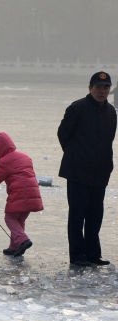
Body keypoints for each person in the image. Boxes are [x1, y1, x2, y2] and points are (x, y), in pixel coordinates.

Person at [58, 71, 117, 267]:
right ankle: (77, 255)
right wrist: (76, 155)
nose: (102, 91)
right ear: (90, 88)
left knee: (95, 215)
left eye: (106, 87)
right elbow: (63, 134)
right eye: (99, 87)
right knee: (78, 215)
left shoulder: (111, 112)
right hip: (77, 171)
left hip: (99, 172)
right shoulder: (77, 108)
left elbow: (109, 140)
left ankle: (93, 254)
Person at [0, 132, 43, 256]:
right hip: (33, 194)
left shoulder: (4, 162)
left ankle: (23, 240)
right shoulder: (25, 157)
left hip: (19, 195)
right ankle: (14, 246)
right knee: (19, 220)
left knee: (10, 218)